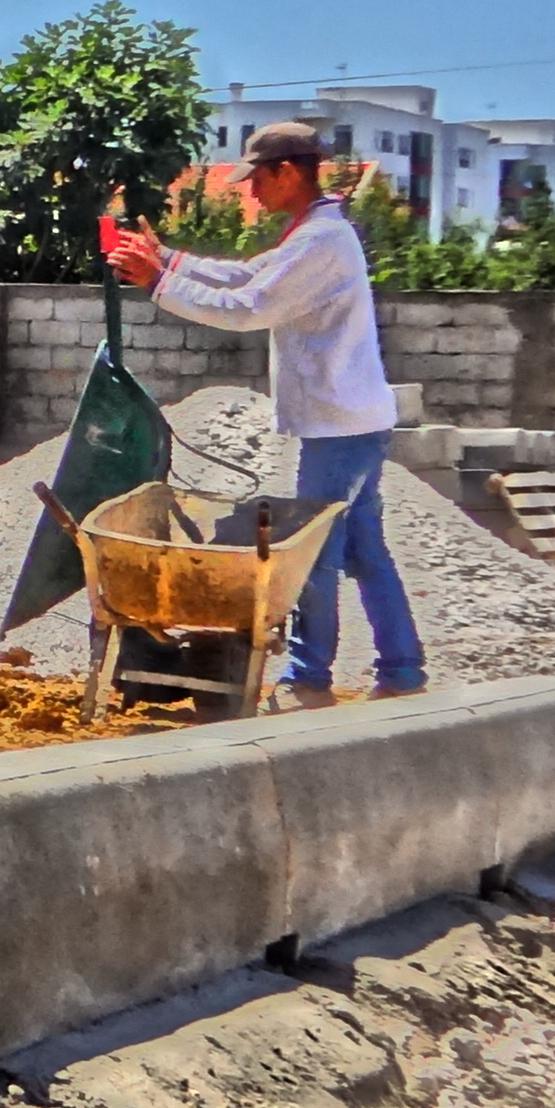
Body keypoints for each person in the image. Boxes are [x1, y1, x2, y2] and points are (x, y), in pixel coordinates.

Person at [97, 123, 425, 706]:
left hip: (339, 427)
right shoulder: (315, 233)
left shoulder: (322, 240)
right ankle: (402, 673)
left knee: (313, 555)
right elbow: (248, 275)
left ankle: (308, 680)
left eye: (258, 179)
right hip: (351, 423)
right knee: (363, 551)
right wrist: (167, 260)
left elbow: (248, 306)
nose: (250, 192)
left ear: (288, 172)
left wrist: (157, 282)